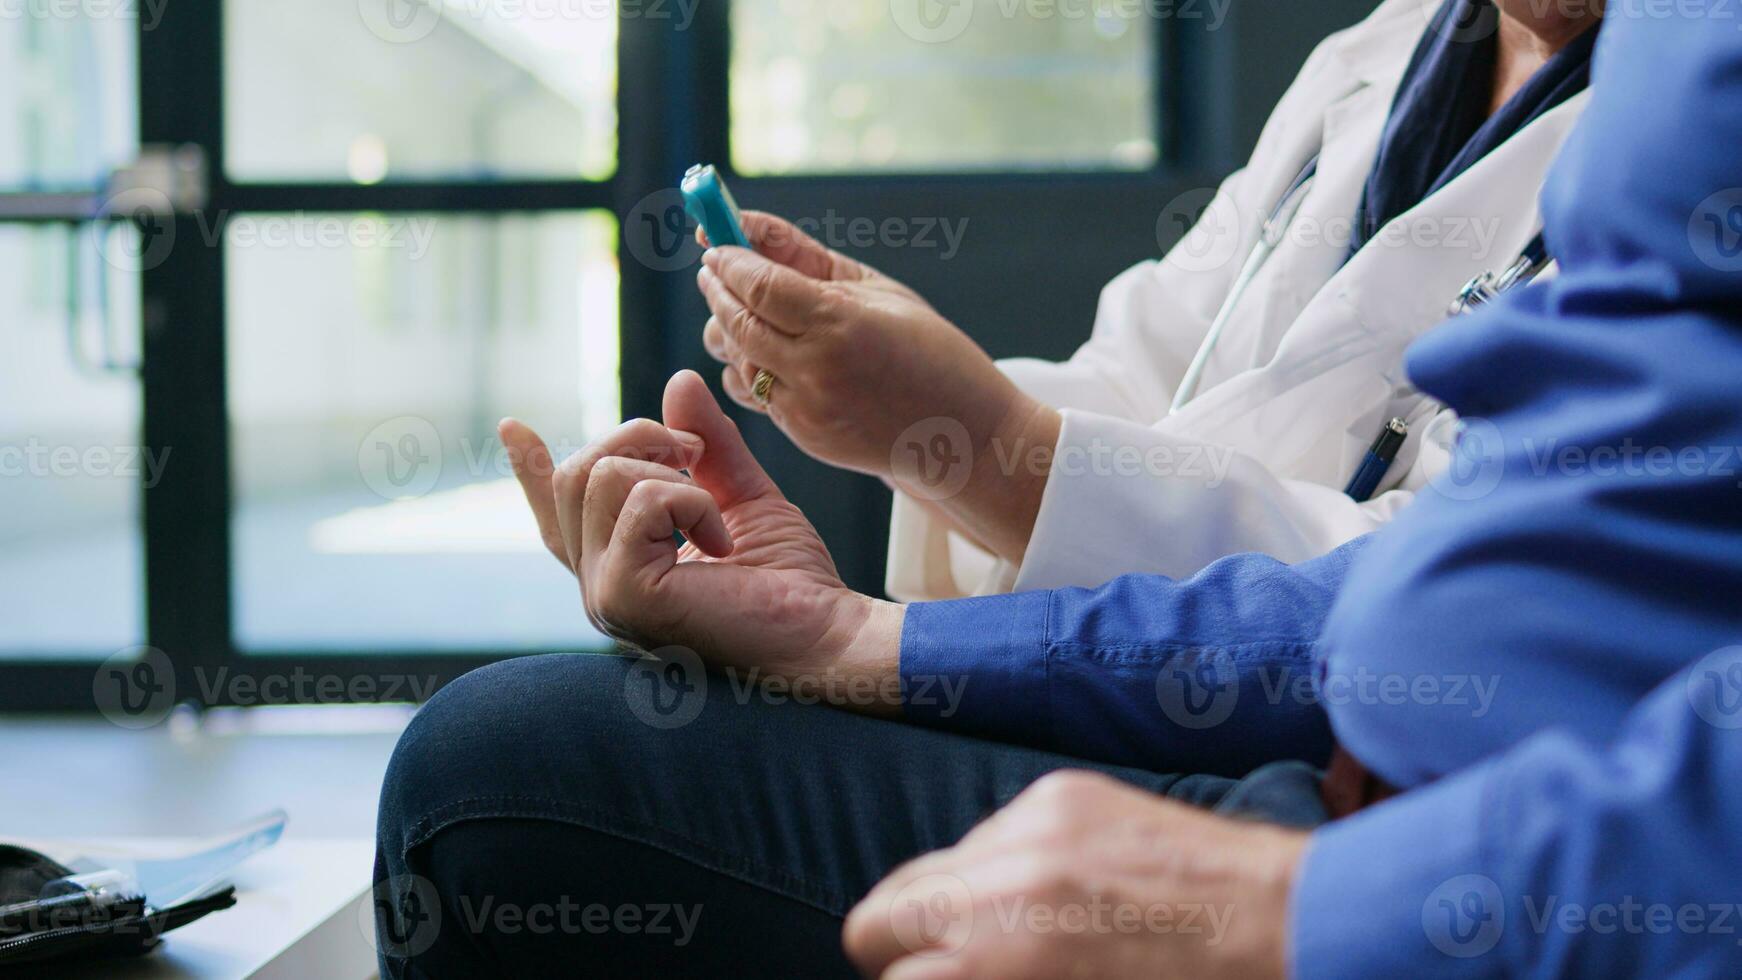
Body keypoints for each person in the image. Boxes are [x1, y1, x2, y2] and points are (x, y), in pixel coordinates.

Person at [375, 7, 1742, 977]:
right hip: (1233, 694)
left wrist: (958, 467)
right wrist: (929, 442)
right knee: (523, 748)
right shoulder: (1375, 58)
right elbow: (1158, 376)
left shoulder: (1678, 100)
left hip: (1401, 788)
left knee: (500, 773)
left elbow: (1428, 575)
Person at [694, 0, 1603, 602]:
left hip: (1335, 774)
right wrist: (917, 395)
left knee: (582, 742)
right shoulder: (1375, 58)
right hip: (1116, 700)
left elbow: (1462, 589)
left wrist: (978, 449)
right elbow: (1151, 376)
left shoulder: (1689, 156)